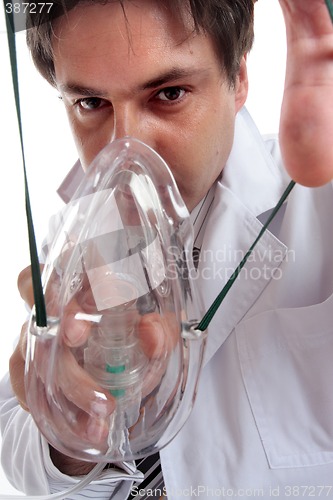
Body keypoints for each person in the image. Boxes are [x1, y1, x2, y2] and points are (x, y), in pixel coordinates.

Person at [1, 0, 333, 498]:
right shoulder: (71, 236)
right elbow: (19, 448)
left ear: (239, 77)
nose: (127, 145)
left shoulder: (319, 204)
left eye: (169, 93)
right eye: (91, 103)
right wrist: (70, 426)